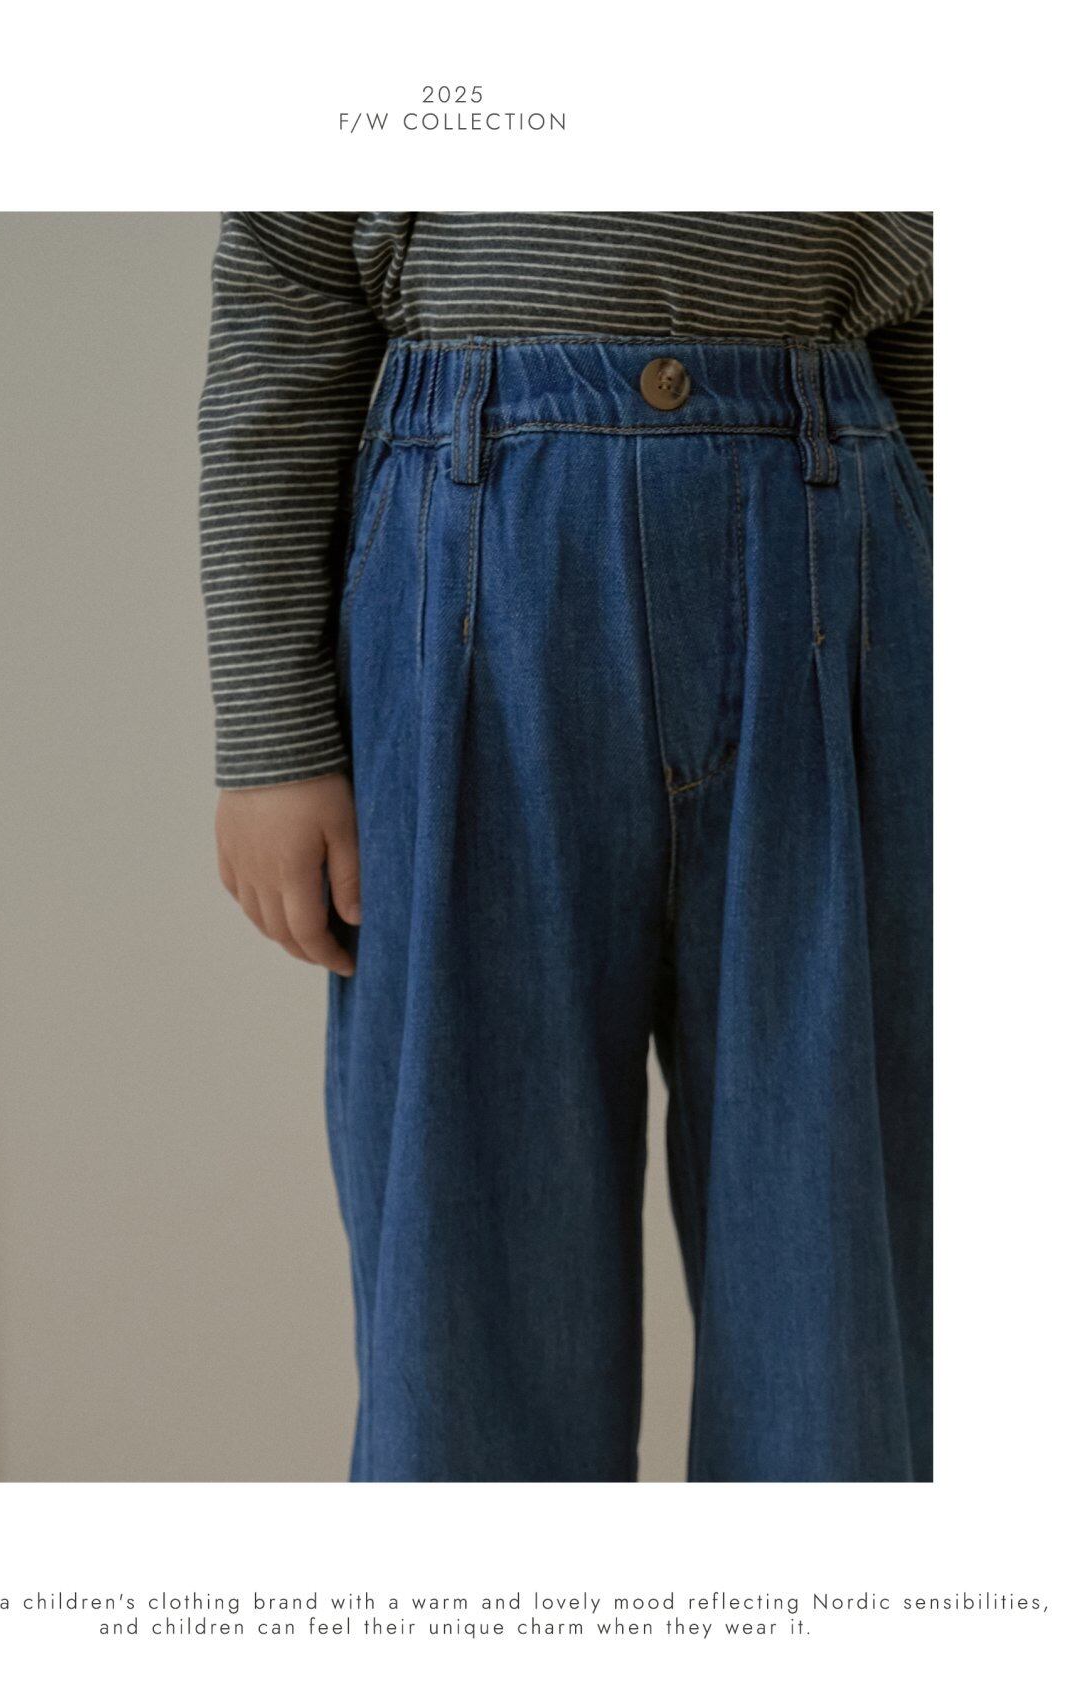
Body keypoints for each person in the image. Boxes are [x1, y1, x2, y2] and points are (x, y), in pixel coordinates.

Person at [199, 213, 933, 1482]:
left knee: (842, 1292)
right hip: (472, 588)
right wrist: (272, 730)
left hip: (841, 563)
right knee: (460, 1282)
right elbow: (286, 286)